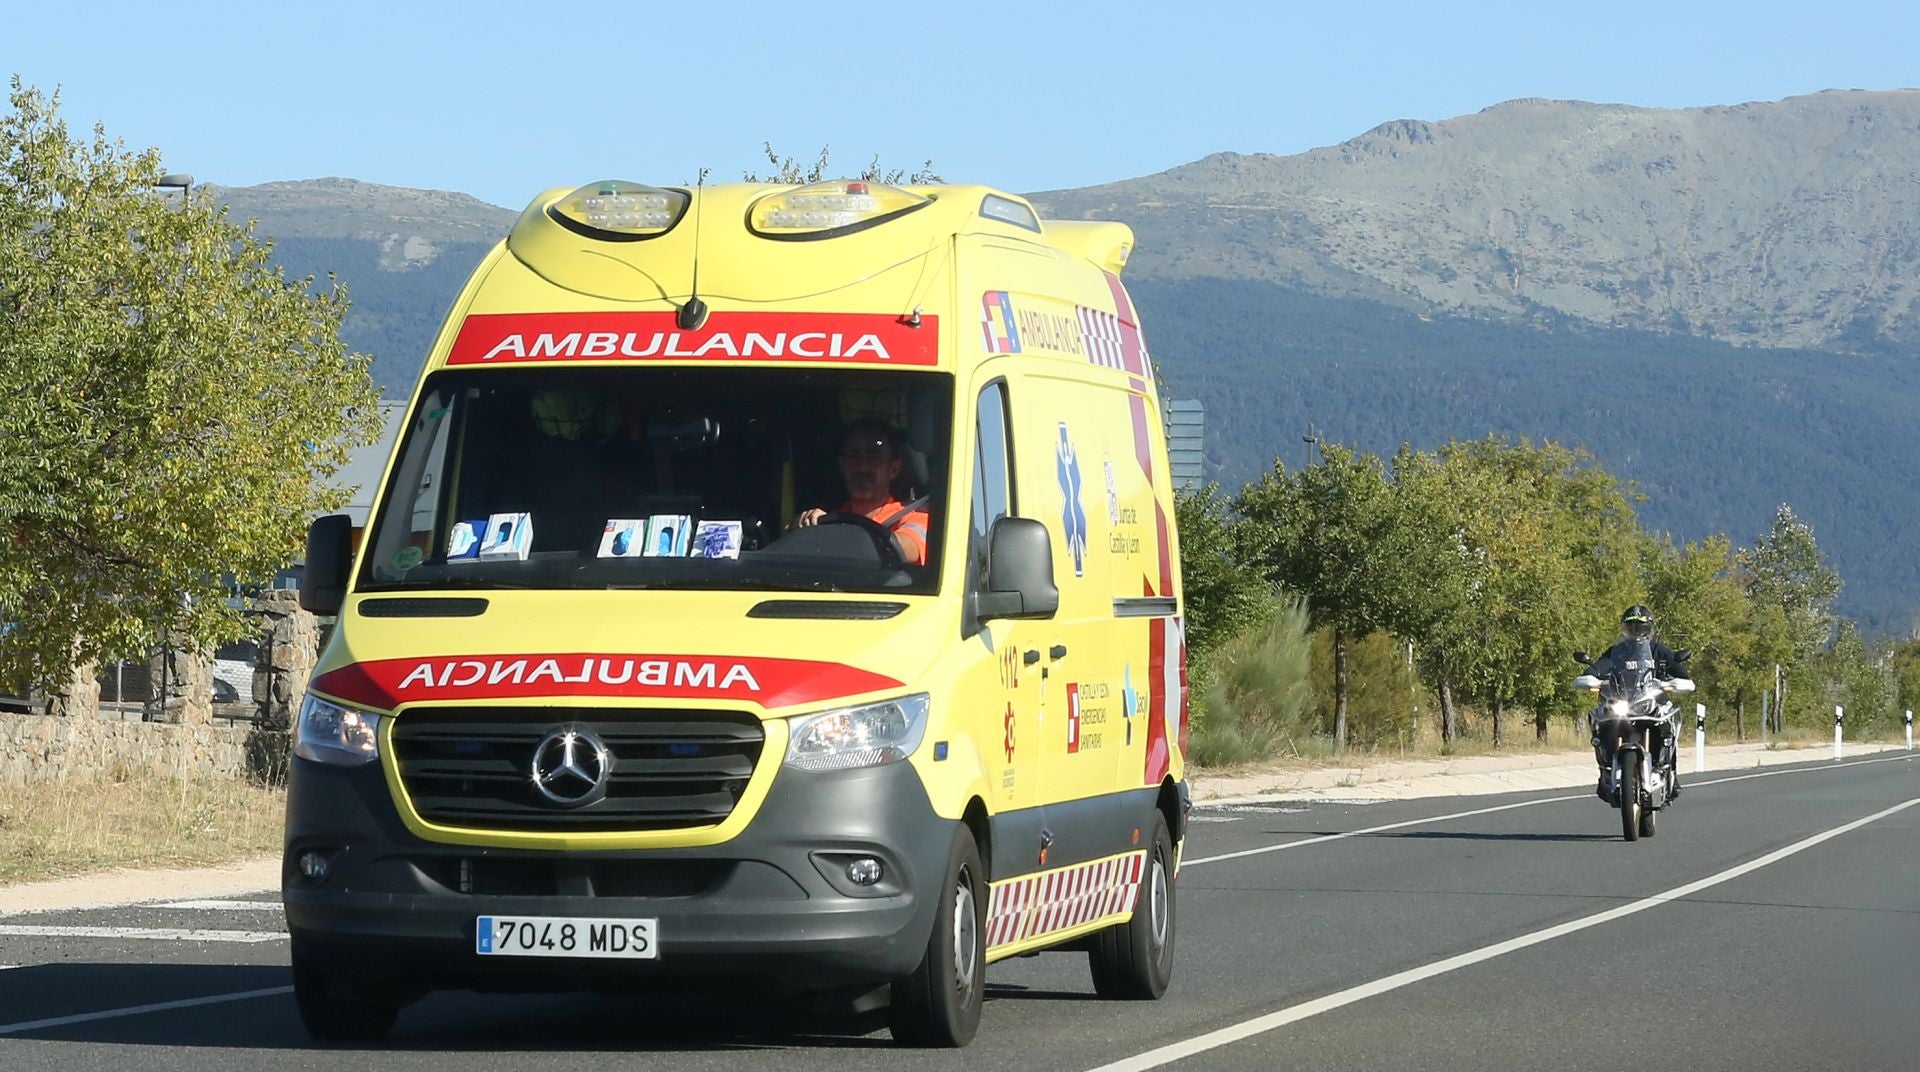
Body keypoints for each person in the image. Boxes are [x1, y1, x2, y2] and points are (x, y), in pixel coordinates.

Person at [1584, 605, 1690, 801]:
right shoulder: (1617, 651)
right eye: (1631, 628)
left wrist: (1675, 683)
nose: (1636, 632)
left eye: (1640, 628)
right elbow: (1600, 666)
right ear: (1624, 629)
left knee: (1669, 728)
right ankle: (1605, 772)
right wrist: (1591, 677)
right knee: (1602, 723)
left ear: (1649, 629)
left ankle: (1671, 775)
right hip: (1624, 701)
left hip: (1653, 702)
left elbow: (1682, 674)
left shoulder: (1659, 651)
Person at [792, 418, 930, 566]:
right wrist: (805, 530)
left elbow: (903, 549)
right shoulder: (827, 521)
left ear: (893, 469)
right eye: (853, 455)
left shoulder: (915, 519)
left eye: (873, 456)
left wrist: (827, 539)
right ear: (842, 466)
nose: (863, 466)